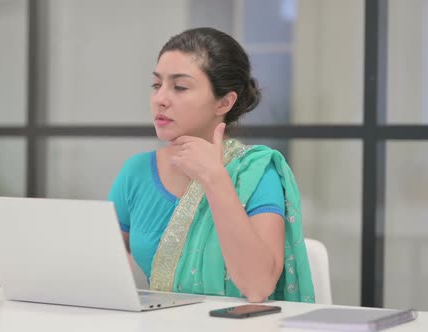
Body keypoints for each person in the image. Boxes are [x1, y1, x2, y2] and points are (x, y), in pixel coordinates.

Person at [108, 27, 314, 303]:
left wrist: (214, 178)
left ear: (224, 102)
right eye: (157, 85)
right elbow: (97, 260)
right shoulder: (137, 172)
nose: (160, 99)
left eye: (179, 87)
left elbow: (258, 286)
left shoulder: (256, 172)